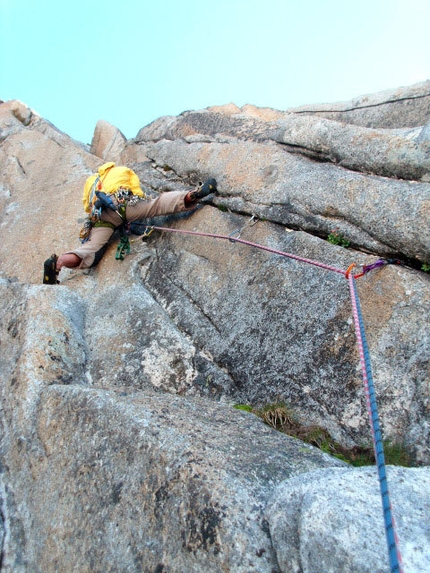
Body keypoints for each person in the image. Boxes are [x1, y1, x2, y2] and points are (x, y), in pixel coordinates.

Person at [43, 162, 217, 284]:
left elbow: (86, 206)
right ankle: (191, 195)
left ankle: (59, 262)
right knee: (156, 205)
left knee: (90, 249)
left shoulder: (91, 182)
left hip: (101, 216)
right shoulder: (119, 171)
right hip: (123, 202)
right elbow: (135, 187)